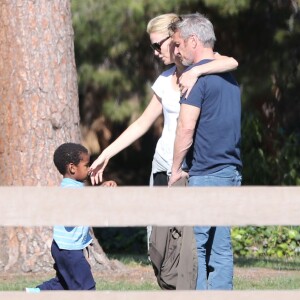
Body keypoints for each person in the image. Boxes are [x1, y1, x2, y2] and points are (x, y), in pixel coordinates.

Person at [89, 13, 238, 188]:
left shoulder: (204, 67)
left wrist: (196, 71)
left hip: (189, 169)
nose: (155, 52)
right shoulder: (165, 78)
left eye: (157, 45)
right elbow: (141, 124)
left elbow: (232, 62)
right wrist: (106, 154)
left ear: (175, 39)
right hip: (162, 164)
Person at [168, 13, 242, 290]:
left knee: (194, 246)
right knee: (220, 246)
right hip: (230, 171)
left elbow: (185, 128)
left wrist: (175, 170)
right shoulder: (228, 76)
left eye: (178, 44)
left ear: (193, 41)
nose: (175, 50)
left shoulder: (194, 80)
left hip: (206, 173)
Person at [26, 142, 116, 293]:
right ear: (72, 168)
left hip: (64, 248)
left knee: (63, 284)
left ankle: (34, 293)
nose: (89, 169)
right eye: (86, 165)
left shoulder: (73, 188)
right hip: (69, 250)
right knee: (86, 288)